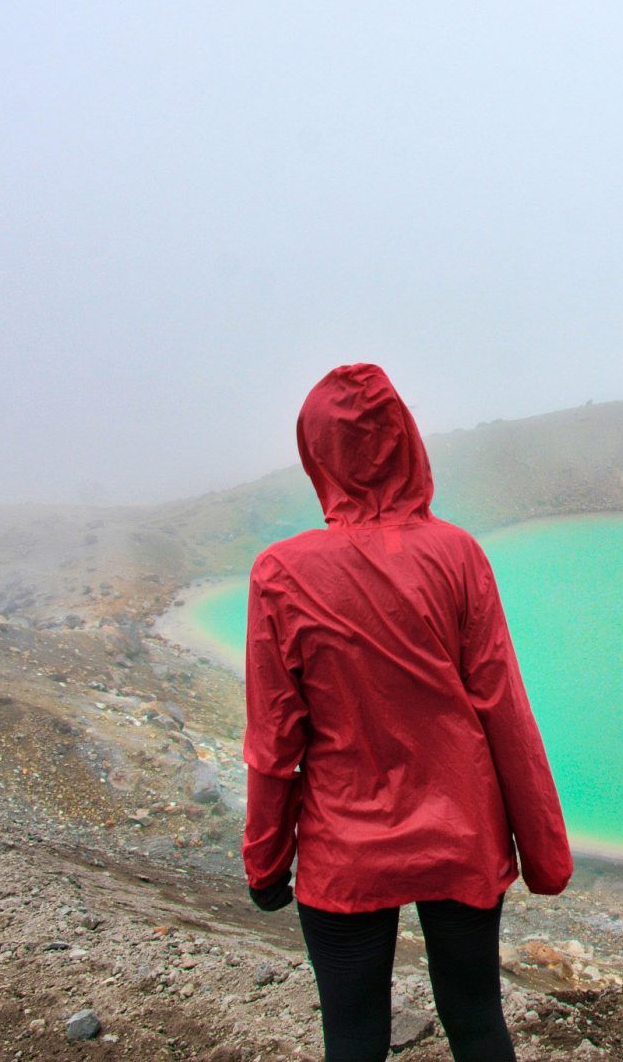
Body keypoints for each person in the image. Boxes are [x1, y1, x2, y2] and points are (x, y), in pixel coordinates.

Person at [240, 362, 572, 1062]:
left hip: (345, 847)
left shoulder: (281, 573)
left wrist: (266, 862)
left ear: (315, 454)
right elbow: (502, 710)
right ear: (408, 443)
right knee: (477, 1017)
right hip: (461, 834)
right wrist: (543, 854)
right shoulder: (458, 554)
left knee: (355, 1035)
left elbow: (275, 740)